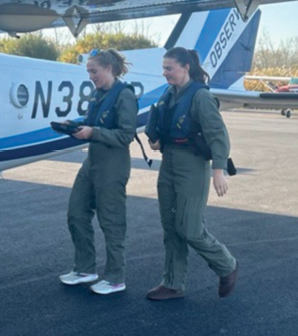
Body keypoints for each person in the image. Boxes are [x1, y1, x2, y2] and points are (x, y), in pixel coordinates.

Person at [145, 48, 238, 300]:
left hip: (192, 166)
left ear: (186, 67)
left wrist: (218, 171)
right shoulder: (170, 94)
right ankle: (173, 283)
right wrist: (157, 141)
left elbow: (218, 135)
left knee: (190, 228)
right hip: (169, 163)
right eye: (164, 68)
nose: (165, 74)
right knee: (170, 226)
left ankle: (226, 265)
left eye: (169, 68)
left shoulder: (200, 97)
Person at [59, 49, 139, 295]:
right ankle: (85, 269)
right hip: (92, 161)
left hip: (112, 164)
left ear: (109, 69)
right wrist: (73, 126)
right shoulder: (97, 94)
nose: (91, 76)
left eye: (94, 71)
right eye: (89, 72)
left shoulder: (124, 96)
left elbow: (126, 135)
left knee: (111, 220)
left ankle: (116, 277)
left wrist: (93, 133)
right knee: (76, 213)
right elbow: (92, 121)